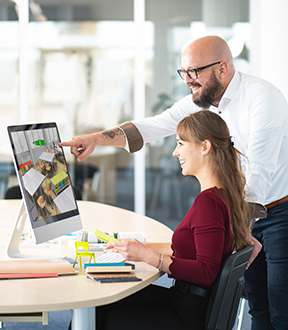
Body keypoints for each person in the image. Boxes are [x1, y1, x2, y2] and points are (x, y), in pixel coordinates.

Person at [60, 35, 288, 330]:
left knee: (281, 310)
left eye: (195, 72)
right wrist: (95, 139)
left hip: (277, 211)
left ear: (222, 68)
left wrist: (239, 225)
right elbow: (156, 124)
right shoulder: (204, 99)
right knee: (258, 307)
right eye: (184, 72)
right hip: (241, 211)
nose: (188, 80)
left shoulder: (262, 98)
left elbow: (260, 169)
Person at [94, 110, 249, 330]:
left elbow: (206, 272)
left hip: (185, 315)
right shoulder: (224, 194)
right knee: (104, 300)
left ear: (205, 147)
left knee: (99, 311)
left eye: (181, 144)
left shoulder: (209, 203)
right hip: (187, 302)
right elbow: (195, 248)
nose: (176, 153)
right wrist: (137, 249)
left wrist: (150, 257)